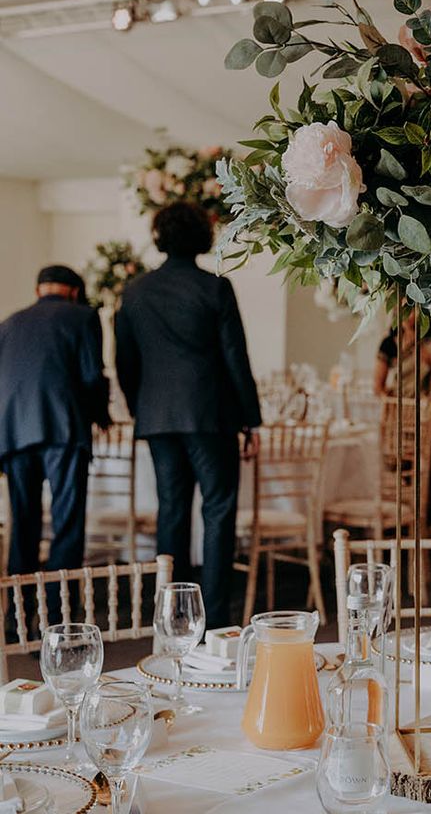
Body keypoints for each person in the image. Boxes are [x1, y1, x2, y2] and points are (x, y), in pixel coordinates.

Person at [115, 203, 261, 629]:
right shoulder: (215, 287)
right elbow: (236, 357)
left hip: (158, 418)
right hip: (211, 417)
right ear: (202, 236)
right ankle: (213, 621)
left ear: (160, 238)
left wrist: (140, 404)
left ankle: (173, 616)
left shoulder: (135, 291)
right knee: (218, 510)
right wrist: (250, 418)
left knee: (171, 511)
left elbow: (125, 360)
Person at [0, 265, 110, 579]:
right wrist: (101, 416)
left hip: (13, 437)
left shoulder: (7, 324)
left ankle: (16, 621)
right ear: (74, 292)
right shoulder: (84, 317)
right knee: (67, 526)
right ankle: (60, 619)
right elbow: (91, 376)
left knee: (23, 526)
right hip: (64, 430)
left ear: (39, 290)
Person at [374, 310, 431, 439]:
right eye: (403, 309)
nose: (409, 315)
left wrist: (420, 348)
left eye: (412, 309)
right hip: (400, 409)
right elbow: (378, 386)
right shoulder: (389, 343)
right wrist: (391, 404)